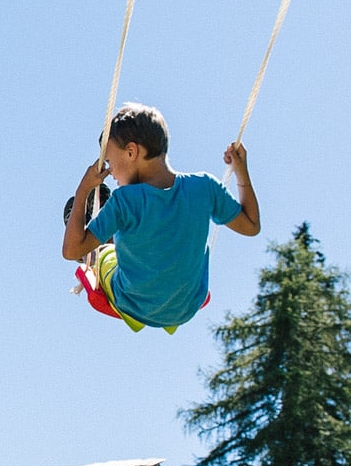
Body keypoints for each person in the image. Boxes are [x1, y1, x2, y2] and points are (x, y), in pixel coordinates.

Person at [60, 103, 259, 333]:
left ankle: (100, 242)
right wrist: (241, 171)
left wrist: (83, 190)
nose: (110, 173)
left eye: (111, 163)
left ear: (132, 152)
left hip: (132, 304)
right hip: (186, 305)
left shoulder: (125, 200)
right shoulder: (204, 187)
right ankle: (108, 235)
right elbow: (251, 225)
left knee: (106, 254)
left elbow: (70, 250)